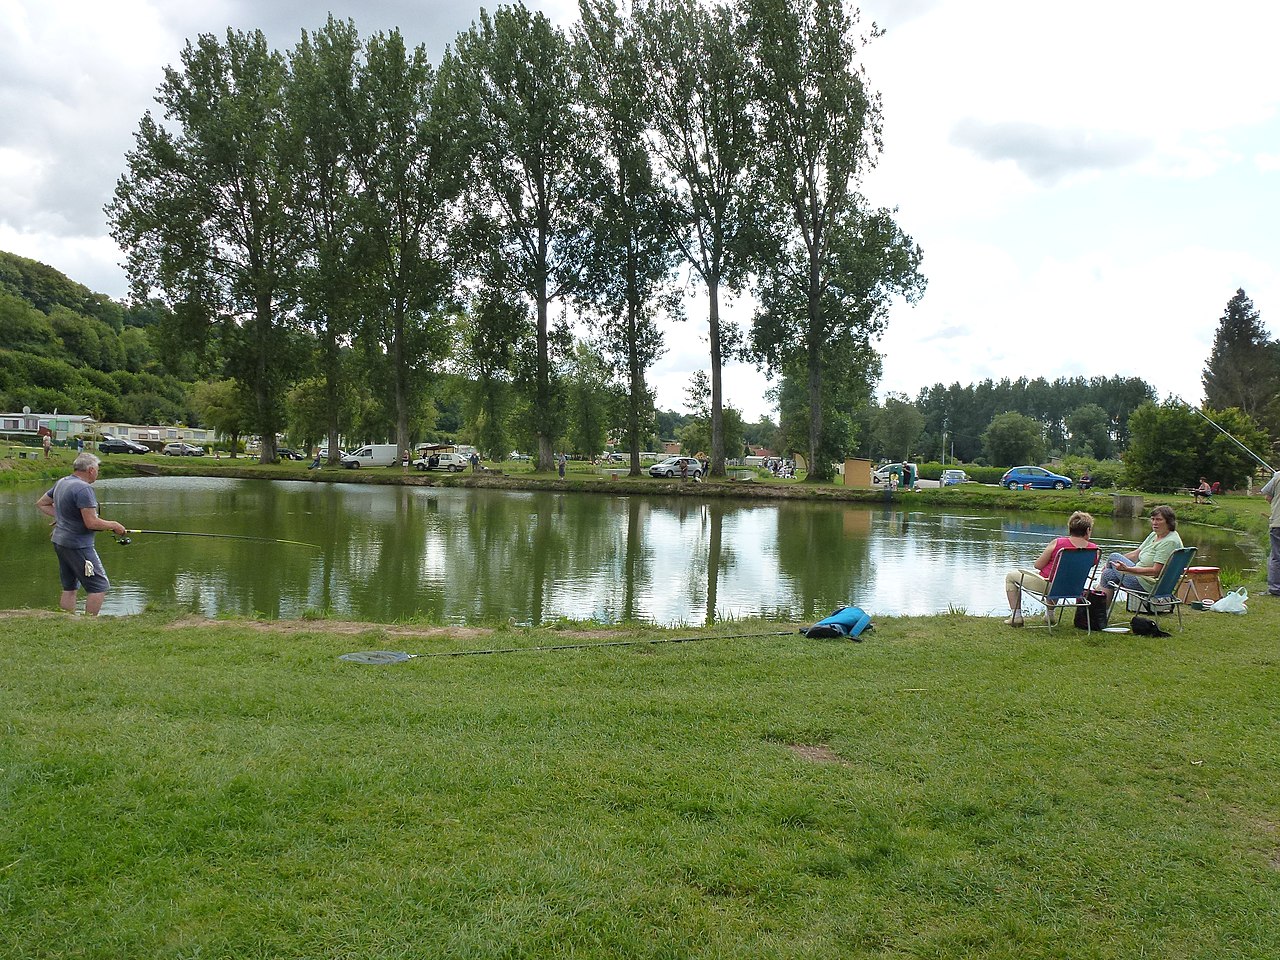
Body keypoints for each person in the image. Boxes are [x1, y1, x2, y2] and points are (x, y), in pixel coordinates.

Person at [34, 452, 127, 616]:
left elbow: (42, 503)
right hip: (78, 544)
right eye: (97, 469)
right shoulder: (84, 489)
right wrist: (114, 525)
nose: (98, 473)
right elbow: (91, 523)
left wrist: (62, 517)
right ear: (91, 470)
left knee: (69, 586)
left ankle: (66, 620)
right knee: (99, 586)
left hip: (60, 541)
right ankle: (89, 623)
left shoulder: (63, 482)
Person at [1003, 510, 1098, 627]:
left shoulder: (1058, 543)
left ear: (1070, 528)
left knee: (1011, 577)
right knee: (1060, 576)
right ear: (1088, 530)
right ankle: (1049, 615)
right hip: (1074, 588)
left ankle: (1016, 616)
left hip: (1050, 587)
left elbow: (1038, 565)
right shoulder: (1094, 549)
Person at [1097, 505, 1184, 603]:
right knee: (1107, 574)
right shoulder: (1155, 535)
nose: (1154, 523)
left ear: (1169, 521)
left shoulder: (1170, 542)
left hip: (1147, 583)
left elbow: (1156, 571)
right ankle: (1102, 611)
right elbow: (1135, 555)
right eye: (1153, 519)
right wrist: (1115, 565)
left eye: (1159, 520)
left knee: (1113, 556)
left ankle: (1096, 592)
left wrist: (1128, 569)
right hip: (1140, 577)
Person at [1262, 470, 1280, 596]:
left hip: (1278, 522)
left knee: (1276, 556)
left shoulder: (1277, 476)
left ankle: (1275, 588)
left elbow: (1267, 497)